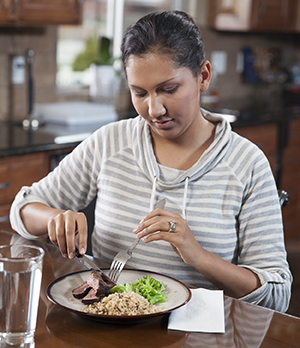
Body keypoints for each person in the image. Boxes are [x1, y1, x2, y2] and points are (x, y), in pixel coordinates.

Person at [10, 10, 292, 312]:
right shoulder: (110, 142)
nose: (154, 109)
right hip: (111, 327)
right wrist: (55, 218)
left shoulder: (247, 164)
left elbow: (277, 292)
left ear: (203, 76)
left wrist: (197, 255)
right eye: (139, 92)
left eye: (168, 89)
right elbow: (22, 209)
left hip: (200, 338)